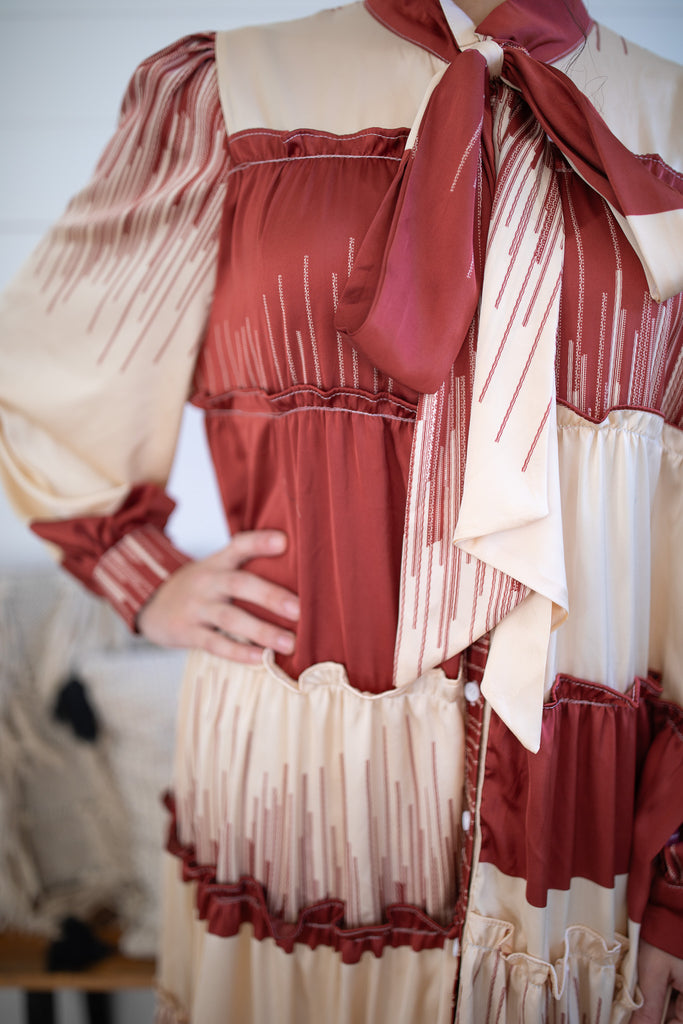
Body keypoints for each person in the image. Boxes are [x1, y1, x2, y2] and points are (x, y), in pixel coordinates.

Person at [0, 0, 681, 1020]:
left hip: (588, 803)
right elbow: (50, 364)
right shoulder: (227, 92)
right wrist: (136, 570)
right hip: (303, 777)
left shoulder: (668, 117)